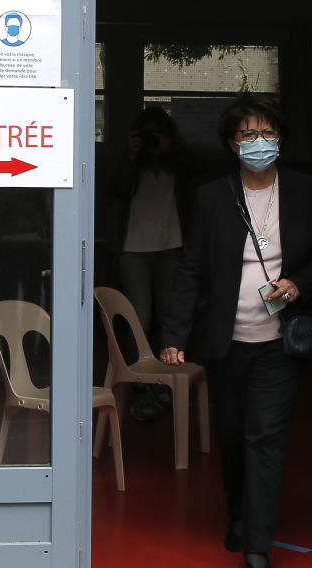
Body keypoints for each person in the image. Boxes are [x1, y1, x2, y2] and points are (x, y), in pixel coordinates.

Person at [159, 94, 312, 568]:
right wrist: (174, 334)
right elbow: (192, 266)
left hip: (281, 341)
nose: (258, 143)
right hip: (226, 338)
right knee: (235, 436)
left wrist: (298, 282)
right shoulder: (213, 196)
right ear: (231, 144)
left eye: (266, 133)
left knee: (265, 437)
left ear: (279, 138)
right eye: (247, 135)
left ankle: (258, 546)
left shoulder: (304, 191)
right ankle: (239, 514)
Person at [113, 106, 195, 421]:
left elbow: (201, 169)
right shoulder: (129, 162)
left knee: (167, 317)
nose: (150, 141)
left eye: (156, 135)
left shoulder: (179, 164)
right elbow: (114, 191)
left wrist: (170, 151)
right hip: (133, 249)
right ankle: (141, 384)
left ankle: (164, 381)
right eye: (145, 135)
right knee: (140, 319)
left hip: (171, 246)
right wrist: (130, 157)